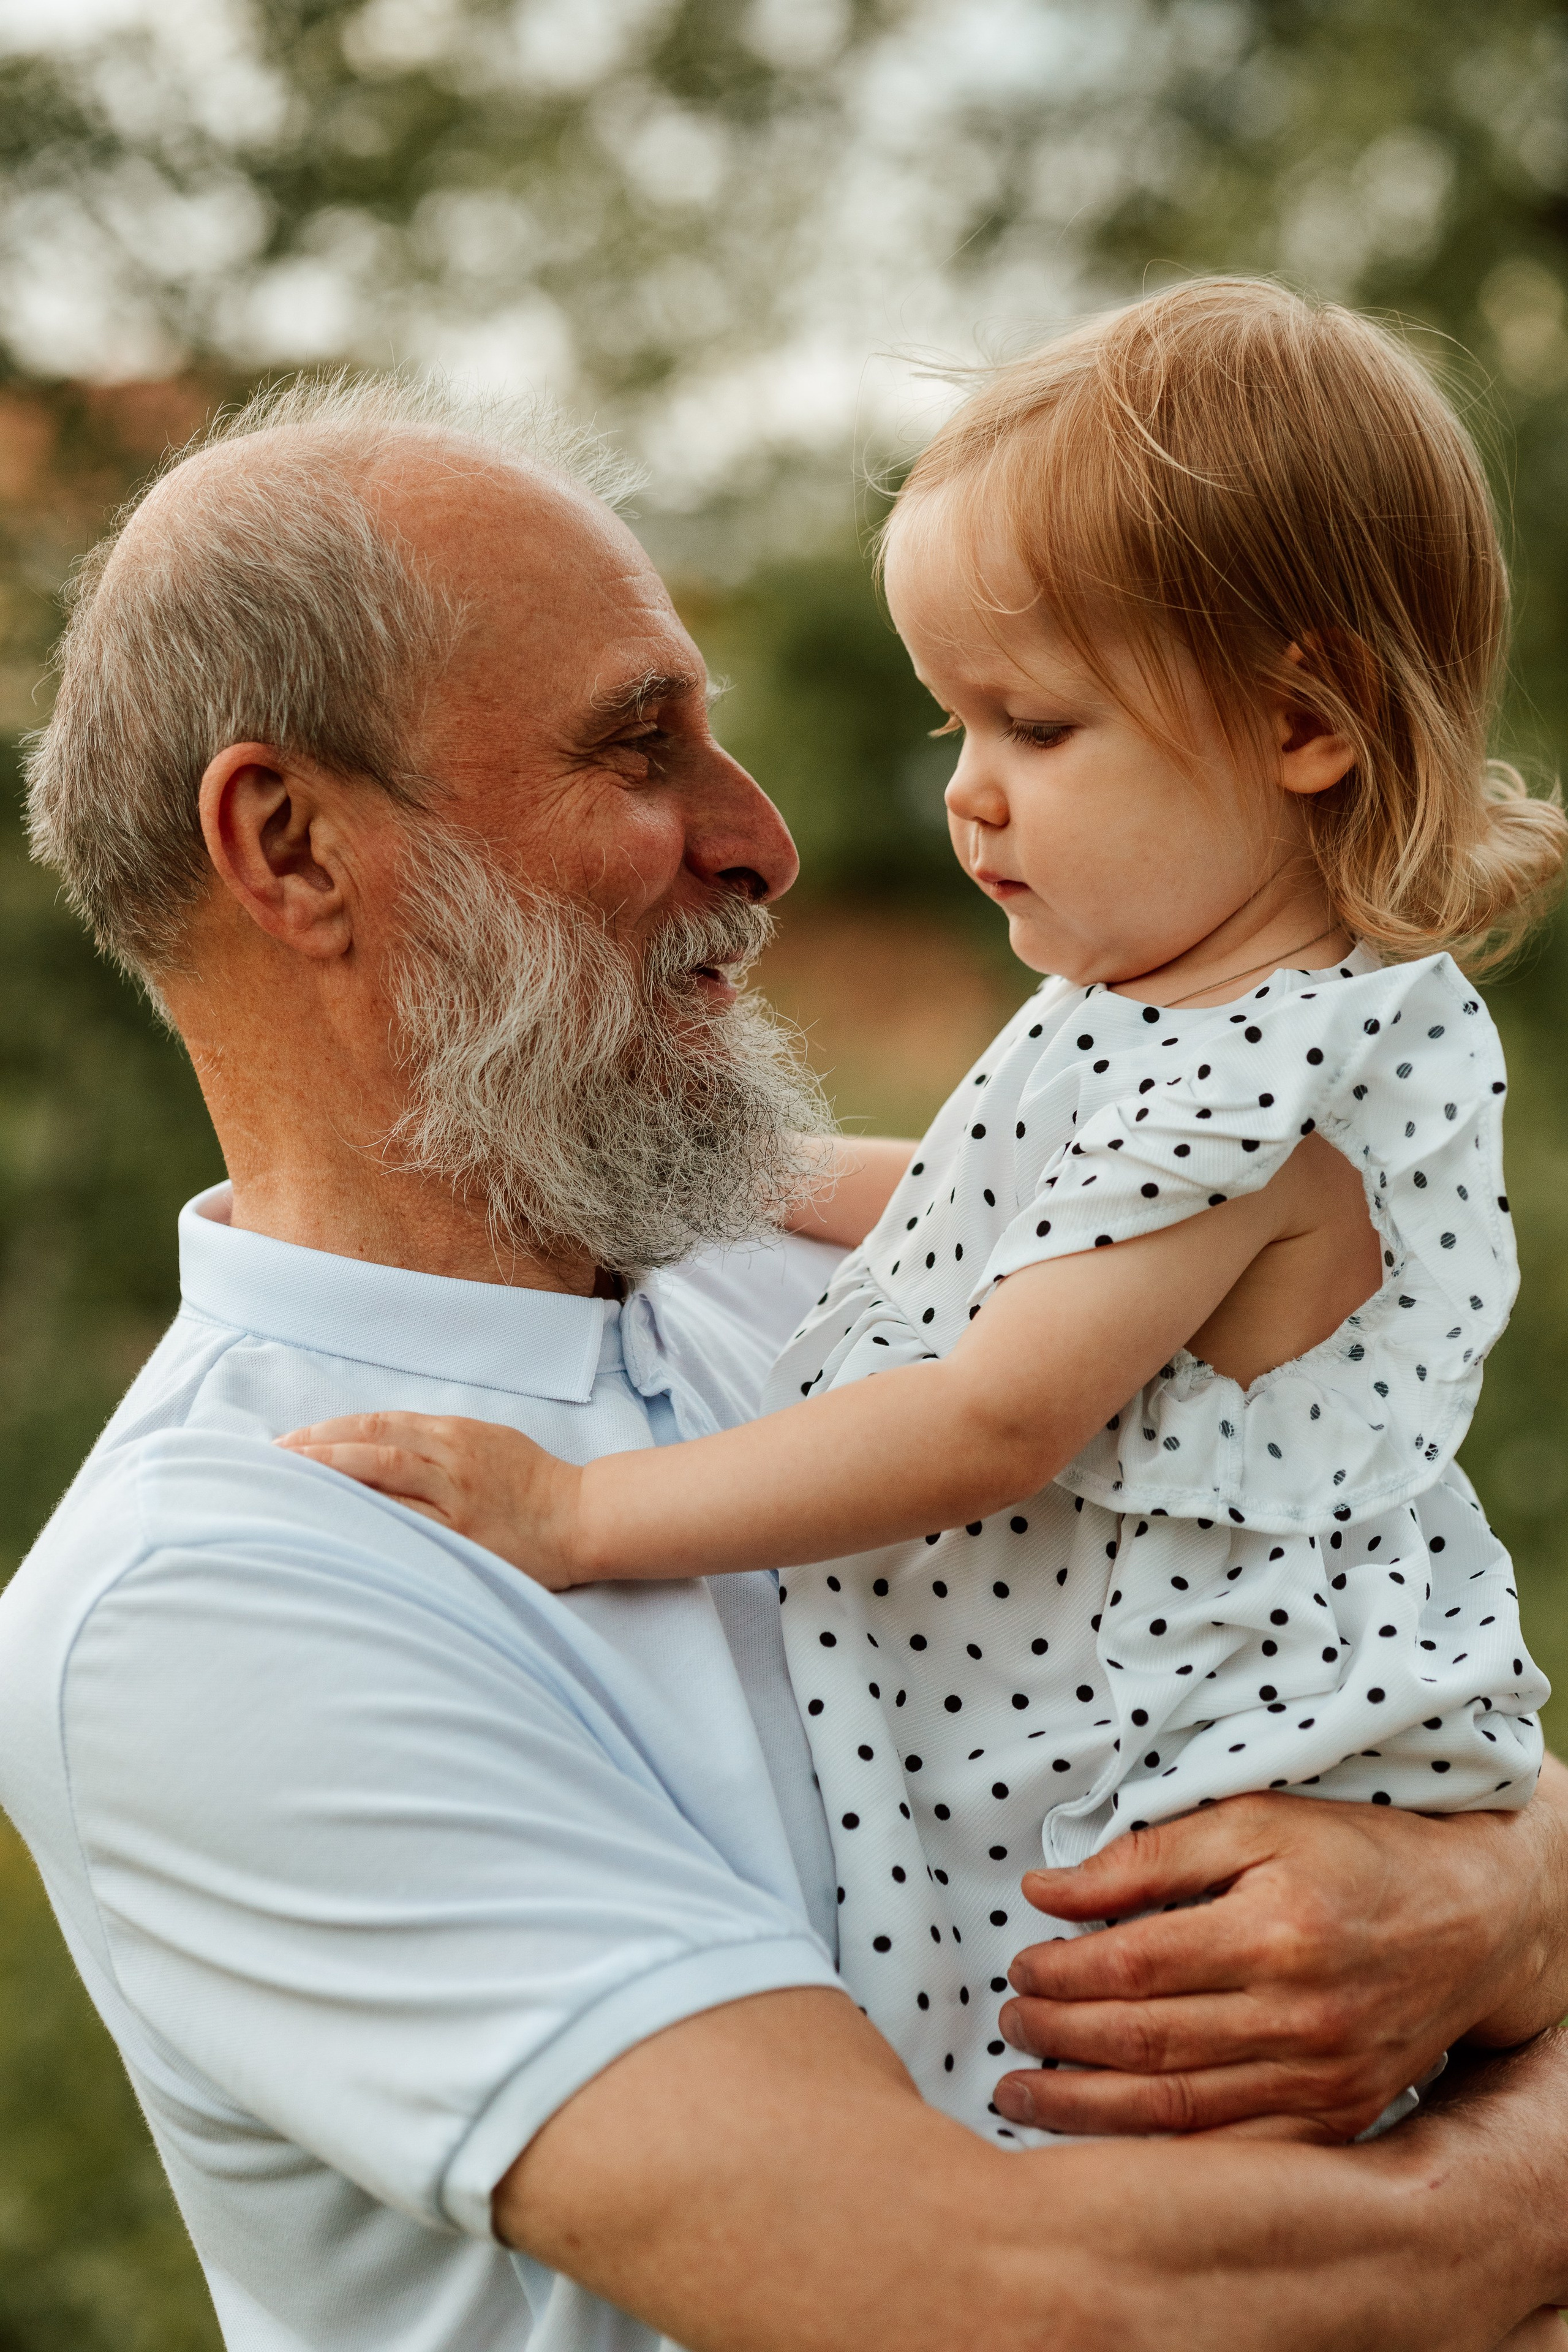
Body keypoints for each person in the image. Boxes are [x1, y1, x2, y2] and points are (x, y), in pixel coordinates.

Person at [2, 369, 1567, 2352]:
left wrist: (1497, 1906)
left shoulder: (849, 1290)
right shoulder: (222, 1588)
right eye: (640, 751)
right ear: (293, 848)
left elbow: (1354, 1693)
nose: (769, 841)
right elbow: (993, 2309)